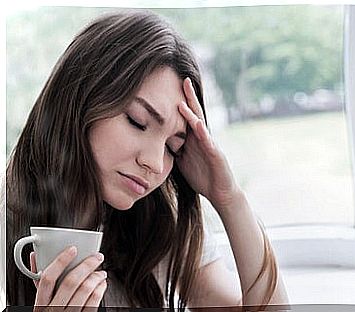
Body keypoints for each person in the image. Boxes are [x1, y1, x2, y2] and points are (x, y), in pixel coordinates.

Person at [3, 10, 288, 311]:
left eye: (173, 148)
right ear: (80, 98)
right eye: (138, 121)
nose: (155, 163)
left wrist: (229, 198)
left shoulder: (160, 220)